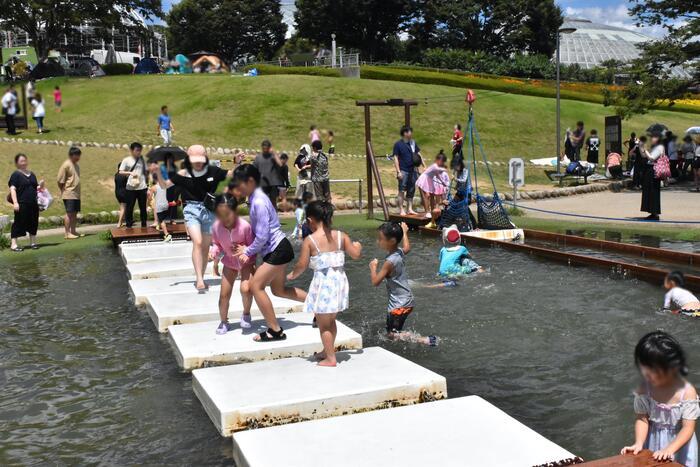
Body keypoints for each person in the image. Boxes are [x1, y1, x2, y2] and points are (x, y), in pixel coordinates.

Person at [229, 164, 307, 342]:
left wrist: (247, 251)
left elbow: (263, 236)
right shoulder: (255, 198)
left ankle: (275, 330)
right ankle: (319, 307)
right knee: (279, 290)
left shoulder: (258, 201)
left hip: (277, 250)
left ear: (250, 181)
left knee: (256, 287)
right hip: (277, 249)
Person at [287, 201, 362, 366]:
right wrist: (358, 246)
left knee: (323, 325)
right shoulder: (341, 236)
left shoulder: (310, 240)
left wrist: (293, 274)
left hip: (324, 285)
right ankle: (327, 350)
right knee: (331, 320)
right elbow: (356, 255)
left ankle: (330, 358)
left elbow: (302, 265)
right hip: (339, 284)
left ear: (310, 220)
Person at [152, 145, 236, 292]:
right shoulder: (184, 173)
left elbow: (232, 174)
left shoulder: (213, 171)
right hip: (191, 210)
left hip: (209, 211)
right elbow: (164, 185)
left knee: (204, 248)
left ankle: (201, 276)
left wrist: (238, 163)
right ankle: (199, 279)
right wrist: (158, 172)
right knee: (197, 242)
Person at [621, 331, 698, 466]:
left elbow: (688, 428)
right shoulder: (644, 389)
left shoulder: (687, 392)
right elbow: (642, 419)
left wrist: (669, 449)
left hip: (680, 446)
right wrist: (638, 443)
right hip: (653, 441)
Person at [369, 222, 437, 346]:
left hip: (398, 305)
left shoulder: (389, 262)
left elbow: (375, 282)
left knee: (391, 335)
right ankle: (424, 340)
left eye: (380, 239)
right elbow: (407, 247)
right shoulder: (399, 252)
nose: (378, 241)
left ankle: (426, 340)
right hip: (406, 300)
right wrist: (405, 233)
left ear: (392, 240)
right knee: (394, 332)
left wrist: (373, 267)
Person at [209, 194, 255, 334]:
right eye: (220, 214)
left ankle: (246, 314)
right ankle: (224, 321)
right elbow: (217, 243)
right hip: (229, 262)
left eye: (227, 214)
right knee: (224, 295)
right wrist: (214, 252)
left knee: (246, 289)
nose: (224, 219)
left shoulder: (245, 226)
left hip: (247, 262)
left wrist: (246, 252)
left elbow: (254, 245)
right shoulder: (217, 227)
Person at [8, 154, 42, 251]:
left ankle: (33, 243)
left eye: (25, 160)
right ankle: (13, 245)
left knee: (33, 222)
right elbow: (12, 189)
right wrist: (15, 203)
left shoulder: (32, 174)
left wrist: (40, 186)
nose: (24, 163)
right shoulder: (16, 175)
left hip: (33, 203)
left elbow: (35, 188)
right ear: (17, 163)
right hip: (22, 203)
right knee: (18, 222)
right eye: (21, 161)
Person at [392, 125, 425, 215]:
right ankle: (401, 209)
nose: (411, 133)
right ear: (405, 133)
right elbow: (395, 158)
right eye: (410, 131)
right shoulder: (398, 144)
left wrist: (424, 165)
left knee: (411, 190)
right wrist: (398, 171)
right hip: (403, 170)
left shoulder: (413, 143)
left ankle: (409, 208)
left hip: (413, 170)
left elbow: (418, 154)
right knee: (401, 190)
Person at [119, 142, 148, 228]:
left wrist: (148, 183)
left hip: (142, 187)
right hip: (130, 188)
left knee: (143, 207)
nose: (139, 152)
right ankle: (129, 225)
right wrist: (130, 173)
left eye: (140, 150)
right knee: (130, 207)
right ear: (132, 150)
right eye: (137, 150)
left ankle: (144, 224)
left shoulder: (142, 159)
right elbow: (120, 172)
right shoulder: (126, 160)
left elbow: (146, 171)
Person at [415, 150, 450, 218]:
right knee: (425, 196)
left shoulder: (436, 167)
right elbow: (439, 172)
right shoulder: (435, 166)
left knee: (431, 195)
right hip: (424, 179)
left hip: (429, 180)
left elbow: (437, 176)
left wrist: (443, 183)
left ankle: (432, 210)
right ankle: (427, 212)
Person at [57, 147, 82, 239]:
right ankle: (67, 233)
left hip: (76, 193)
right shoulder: (66, 165)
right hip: (69, 192)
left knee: (75, 213)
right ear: (72, 155)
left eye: (79, 155)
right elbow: (60, 180)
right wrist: (63, 190)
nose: (78, 157)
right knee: (69, 213)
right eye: (77, 155)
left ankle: (73, 231)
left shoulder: (77, 165)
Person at [640, 132, 664, 220]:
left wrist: (645, 150)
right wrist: (641, 146)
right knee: (649, 191)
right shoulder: (654, 148)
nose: (651, 139)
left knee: (653, 191)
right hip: (649, 169)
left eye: (653, 137)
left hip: (654, 170)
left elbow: (652, 158)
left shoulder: (660, 147)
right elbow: (644, 156)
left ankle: (655, 212)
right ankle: (652, 212)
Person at [253, 139, 284, 207]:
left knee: (273, 201)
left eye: (266, 148)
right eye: (264, 148)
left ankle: (273, 216)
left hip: (273, 183)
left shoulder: (273, 157)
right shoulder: (258, 158)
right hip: (262, 183)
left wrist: (274, 153)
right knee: (263, 202)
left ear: (269, 148)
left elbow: (280, 165)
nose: (265, 149)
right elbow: (254, 169)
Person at [149, 170, 172, 242]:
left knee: (162, 221)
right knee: (161, 217)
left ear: (154, 179)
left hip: (159, 206)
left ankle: (167, 234)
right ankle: (159, 225)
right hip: (166, 204)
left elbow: (149, 197)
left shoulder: (153, 187)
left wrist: (149, 199)